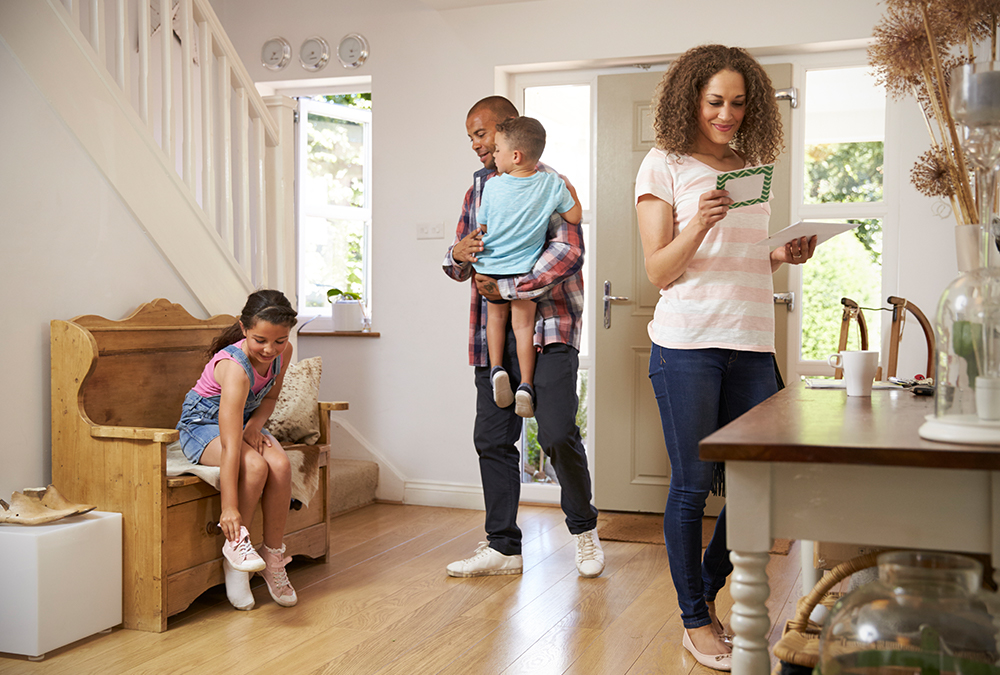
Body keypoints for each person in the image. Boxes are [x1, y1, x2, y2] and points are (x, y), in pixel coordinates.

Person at [634, 45, 816, 671]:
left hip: (752, 342)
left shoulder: (751, 165)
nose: (727, 114)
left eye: (739, 103)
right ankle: (693, 619)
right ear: (691, 99)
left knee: (752, 485)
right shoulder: (664, 164)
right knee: (690, 487)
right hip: (687, 344)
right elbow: (660, 270)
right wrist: (699, 224)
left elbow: (744, 258)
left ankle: (706, 593)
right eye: (716, 102)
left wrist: (781, 255)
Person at [443, 95, 603, 579]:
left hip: (549, 327)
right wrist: (458, 252)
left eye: (481, 134)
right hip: (489, 329)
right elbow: (458, 264)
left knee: (556, 432)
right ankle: (503, 547)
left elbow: (567, 253)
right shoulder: (478, 190)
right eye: (470, 136)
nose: (475, 145)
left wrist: (509, 285)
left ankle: (584, 531)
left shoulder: (547, 183)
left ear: (508, 132)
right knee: (491, 438)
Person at [175, 289, 300, 611]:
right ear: (244, 329)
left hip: (244, 421)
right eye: (260, 340)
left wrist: (256, 427)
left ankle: (273, 558)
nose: (270, 349)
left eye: (279, 341)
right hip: (201, 426)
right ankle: (235, 551)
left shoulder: (281, 355)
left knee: (281, 466)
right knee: (256, 466)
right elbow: (231, 446)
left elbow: (269, 398)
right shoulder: (234, 368)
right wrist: (229, 508)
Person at [475, 116, 582, 419]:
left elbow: (482, 223)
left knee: (494, 321)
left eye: (497, 150)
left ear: (515, 156)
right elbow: (573, 217)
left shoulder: (492, 186)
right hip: (524, 272)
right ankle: (524, 384)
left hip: (490, 267)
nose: (493, 155)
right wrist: (570, 192)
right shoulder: (551, 184)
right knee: (524, 329)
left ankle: (497, 368)